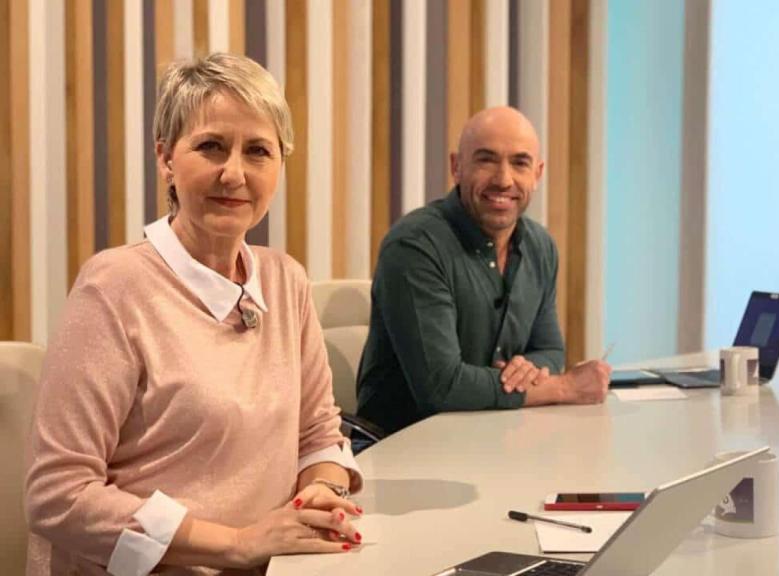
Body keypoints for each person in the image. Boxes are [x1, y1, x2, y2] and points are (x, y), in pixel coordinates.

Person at [24, 53, 364, 576]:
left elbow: (318, 433)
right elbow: (58, 494)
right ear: (166, 158)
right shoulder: (113, 287)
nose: (234, 173)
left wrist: (321, 490)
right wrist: (238, 543)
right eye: (210, 146)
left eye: (258, 151)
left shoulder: (286, 281)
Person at [356, 106, 611, 434]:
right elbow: (442, 387)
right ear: (456, 167)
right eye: (486, 159)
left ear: (538, 173)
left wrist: (528, 370)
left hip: (500, 438)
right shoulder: (415, 246)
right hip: (407, 451)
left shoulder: (540, 246)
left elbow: (550, 350)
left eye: (520, 163)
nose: (504, 180)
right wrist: (564, 388)